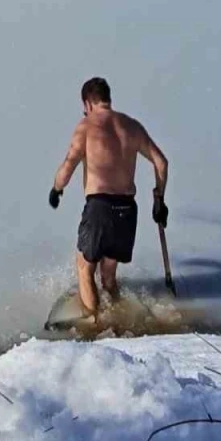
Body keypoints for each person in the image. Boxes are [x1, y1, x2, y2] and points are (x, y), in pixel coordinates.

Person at [49, 77, 168, 322]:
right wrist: (159, 198)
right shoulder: (132, 126)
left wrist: (56, 189)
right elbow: (161, 162)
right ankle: (117, 318)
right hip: (127, 209)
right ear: (107, 98)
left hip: (100, 207)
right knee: (109, 276)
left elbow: (69, 164)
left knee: (84, 267)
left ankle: (94, 325)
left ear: (87, 103)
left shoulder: (86, 126)